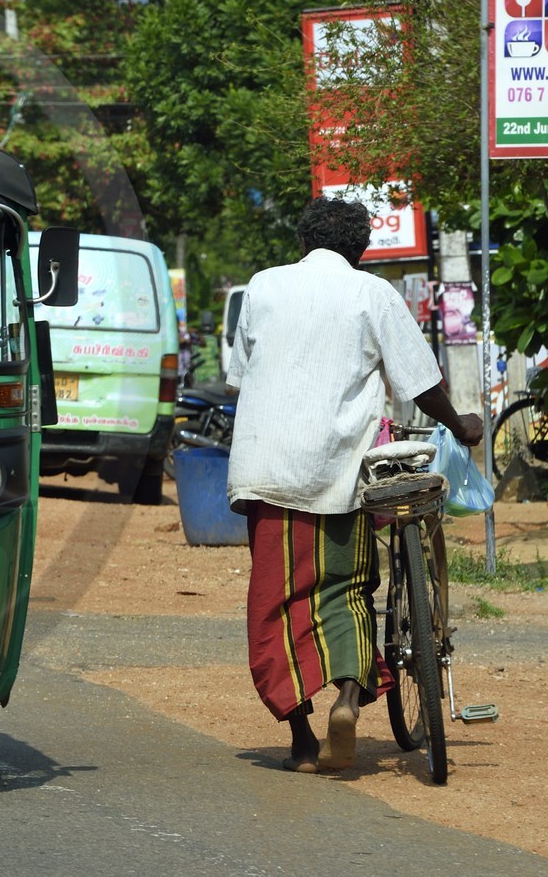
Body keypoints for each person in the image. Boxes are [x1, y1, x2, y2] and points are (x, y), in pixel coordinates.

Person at [226, 197, 484, 775]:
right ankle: (346, 698)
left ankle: (299, 739)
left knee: (276, 600)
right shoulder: (372, 294)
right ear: (360, 249)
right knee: (345, 589)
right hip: (337, 472)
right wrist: (458, 424)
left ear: (301, 242)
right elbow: (419, 381)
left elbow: (240, 373)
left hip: (265, 469)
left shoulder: (262, 286)